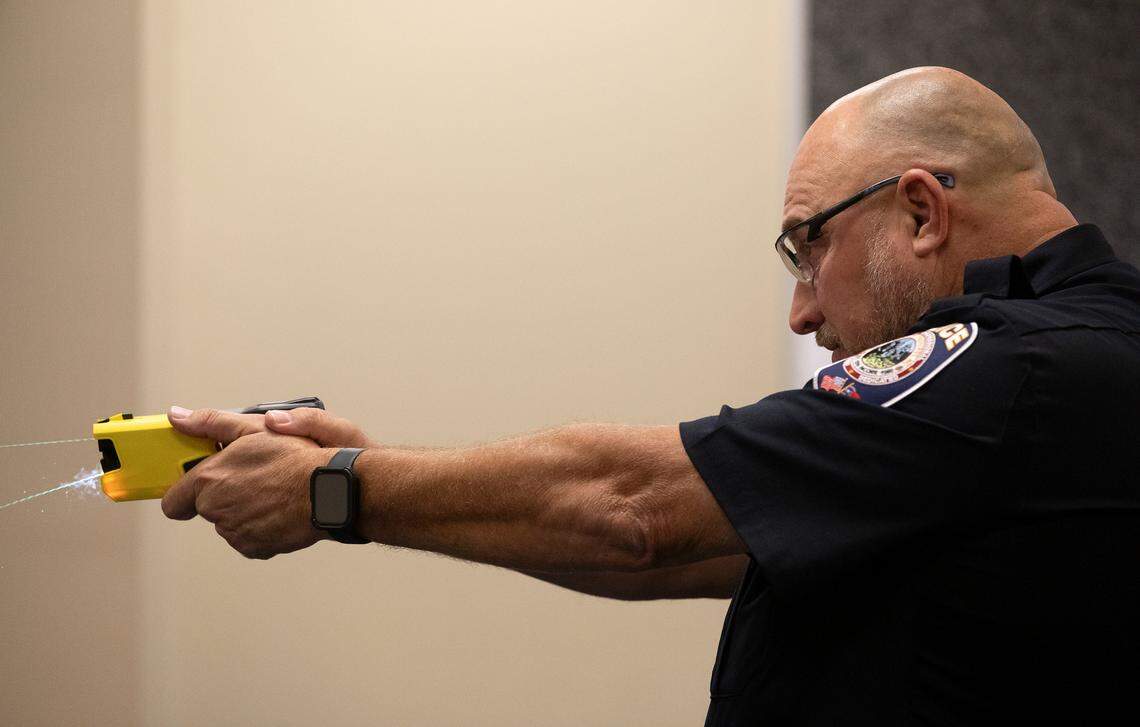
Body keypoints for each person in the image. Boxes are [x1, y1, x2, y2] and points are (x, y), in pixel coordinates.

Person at [160, 66, 1140, 724]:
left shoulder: (1007, 373)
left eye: (809, 245)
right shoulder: (1074, 363)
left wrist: (337, 487)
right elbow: (701, 542)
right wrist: (362, 482)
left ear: (921, 210)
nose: (803, 311)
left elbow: (633, 510)